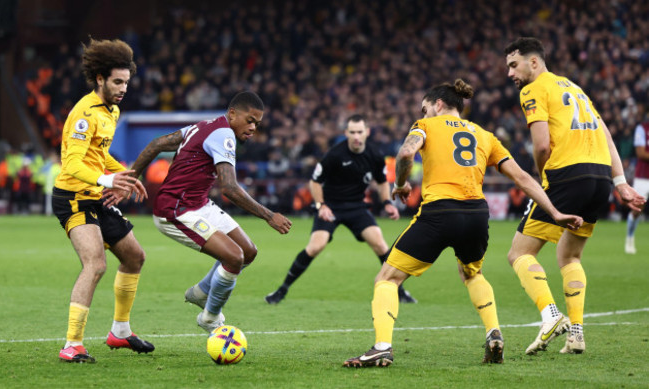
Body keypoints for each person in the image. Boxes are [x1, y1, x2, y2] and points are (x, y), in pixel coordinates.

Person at [343, 79, 583, 367]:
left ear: (438, 104)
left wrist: (401, 184)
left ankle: (382, 347)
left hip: (439, 212)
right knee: (472, 274)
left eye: (425, 108)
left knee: (387, 278)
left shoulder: (426, 125)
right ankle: (494, 333)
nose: (423, 112)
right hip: (476, 215)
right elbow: (522, 178)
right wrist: (554, 212)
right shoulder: (485, 135)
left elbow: (406, 153)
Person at [504, 37, 646, 355]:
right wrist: (620, 182)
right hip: (599, 179)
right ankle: (576, 334)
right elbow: (605, 133)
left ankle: (552, 317)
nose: (510, 74)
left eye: (514, 65)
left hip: (566, 175)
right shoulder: (574, 88)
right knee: (570, 257)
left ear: (534, 62)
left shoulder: (534, 89)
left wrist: (543, 181)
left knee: (519, 254)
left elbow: (541, 145)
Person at [108, 91, 292, 333]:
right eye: (250, 120)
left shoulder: (204, 126)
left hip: (198, 204)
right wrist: (269, 216)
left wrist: (131, 179)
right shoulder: (224, 134)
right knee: (234, 257)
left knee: (248, 251)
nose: (253, 128)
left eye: (257, 123)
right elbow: (229, 188)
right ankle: (210, 318)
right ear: (233, 114)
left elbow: (156, 145)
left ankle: (202, 292)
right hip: (175, 210)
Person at [52, 38, 152, 363]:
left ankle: (120, 331)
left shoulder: (112, 110)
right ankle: (72, 344)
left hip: (97, 195)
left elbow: (99, 154)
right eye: (117, 82)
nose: (124, 88)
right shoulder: (84, 113)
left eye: (126, 82)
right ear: (100, 79)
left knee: (135, 257)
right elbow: (73, 163)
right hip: (73, 197)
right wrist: (109, 179)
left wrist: (124, 174)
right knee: (95, 264)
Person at [264, 114, 417, 305]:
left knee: (380, 244)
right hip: (331, 207)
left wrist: (387, 202)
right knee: (315, 246)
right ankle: (281, 290)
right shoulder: (335, 154)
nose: (356, 136)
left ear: (367, 132)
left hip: (357, 207)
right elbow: (315, 182)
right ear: (346, 133)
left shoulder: (375, 155)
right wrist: (321, 205)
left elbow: (382, 181)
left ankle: (400, 291)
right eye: (352, 132)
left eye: (359, 132)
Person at [625, 116, 649, 254]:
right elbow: (641, 153)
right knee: (637, 209)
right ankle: (630, 237)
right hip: (643, 176)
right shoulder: (642, 128)